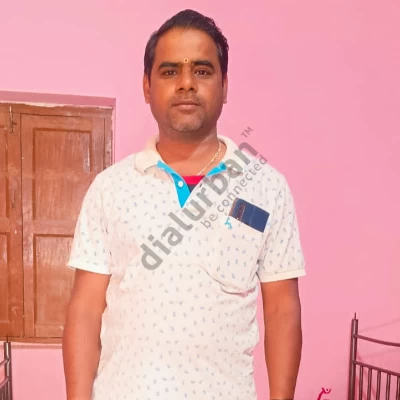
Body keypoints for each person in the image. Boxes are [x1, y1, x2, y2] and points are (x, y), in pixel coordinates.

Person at [62, 9, 306, 400]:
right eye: (170, 71)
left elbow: (281, 310)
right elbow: (85, 311)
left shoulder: (265, 188)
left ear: (225, 86)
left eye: (202, 71)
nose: (187, 83)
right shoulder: (110, 189)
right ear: (147, 86)